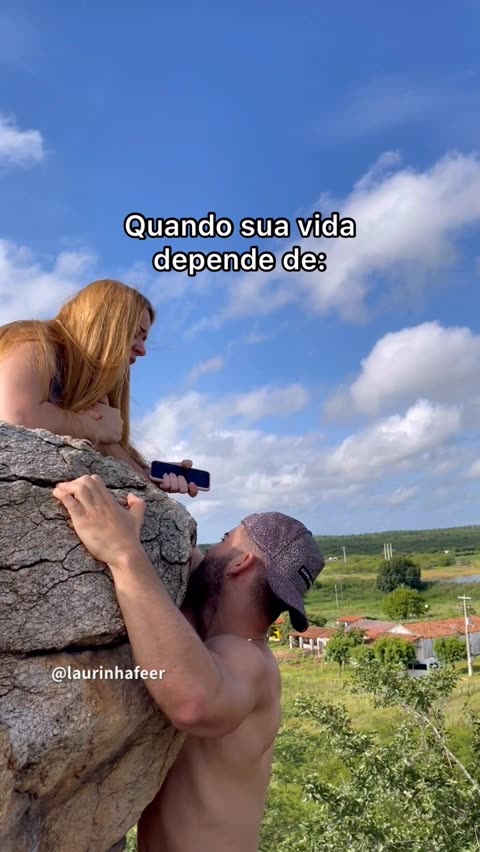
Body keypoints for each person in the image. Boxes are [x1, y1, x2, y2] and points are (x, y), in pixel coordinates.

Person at [52, 473, 325, 852]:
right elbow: (180, 591)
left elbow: (193, 700)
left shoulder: (251, 660)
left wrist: (123, 553)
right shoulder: (207, 634)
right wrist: (147, 482)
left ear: (240, 564)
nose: (207, 549)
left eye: (225, 538)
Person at [0, 279, 197, 496]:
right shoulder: (33, 341)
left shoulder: (84, 385)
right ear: (105, 323)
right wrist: (92, 427)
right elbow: (17, 416)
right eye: (136, 334)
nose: (143, 350)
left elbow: (107, 442)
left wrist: (147, 478)